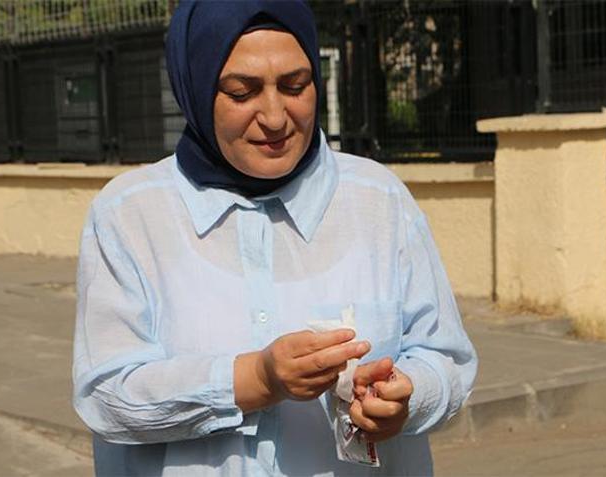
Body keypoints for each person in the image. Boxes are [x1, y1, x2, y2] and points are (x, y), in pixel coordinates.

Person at [72, 1, 477, 475]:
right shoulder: (131, 215)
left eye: (294, 86)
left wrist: (407, 397)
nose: (275, 117)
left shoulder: (378, 201)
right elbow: (105, 395)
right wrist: (255, 379)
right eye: (241, 92)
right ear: (196, 90)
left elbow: (446, 359)